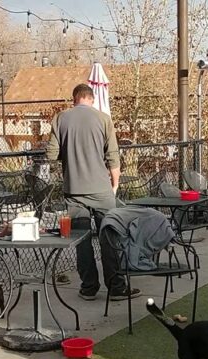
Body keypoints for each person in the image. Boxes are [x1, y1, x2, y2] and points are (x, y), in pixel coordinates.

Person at [46, 84, 140, 301]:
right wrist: (114, 184)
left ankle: (88, 287)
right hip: (101, 190)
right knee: (109, 238)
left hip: (74, 190)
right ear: (92, 99)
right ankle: (116, 287)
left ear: (74, 99)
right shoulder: (103, 119)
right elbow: (113, 156)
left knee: (81, 240)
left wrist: (69, 152)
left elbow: (51, 155)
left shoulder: (60, 118)